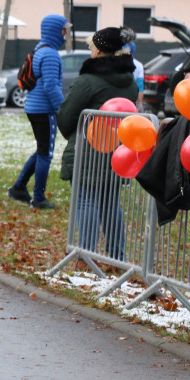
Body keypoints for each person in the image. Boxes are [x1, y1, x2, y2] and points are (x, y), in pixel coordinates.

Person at [57, 27, 138, 259]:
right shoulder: (129, 83)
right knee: (111, 204)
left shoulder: (88, 82)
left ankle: (86, 256)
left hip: (87, 151)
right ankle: (116, 257)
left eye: (92, 46)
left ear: (100, 50)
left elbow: (65, 116)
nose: (90, 50)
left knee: (85, 201)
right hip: (117, 153)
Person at [8, 14, 69, 209]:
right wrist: (63, 109)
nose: (66, 34)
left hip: (34, 107)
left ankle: (18, 188)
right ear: (55, 31)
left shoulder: (40, 49)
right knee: (46, 153)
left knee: (41, 150)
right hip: (44, 109)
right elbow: (51, 87)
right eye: (64, 30)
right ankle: (39, 198)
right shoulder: (50, 54)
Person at [120, 26, 144, 111]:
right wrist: (140, 103)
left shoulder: (114, 63)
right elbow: (140, 86)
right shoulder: (139, 65)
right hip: (131, 100)